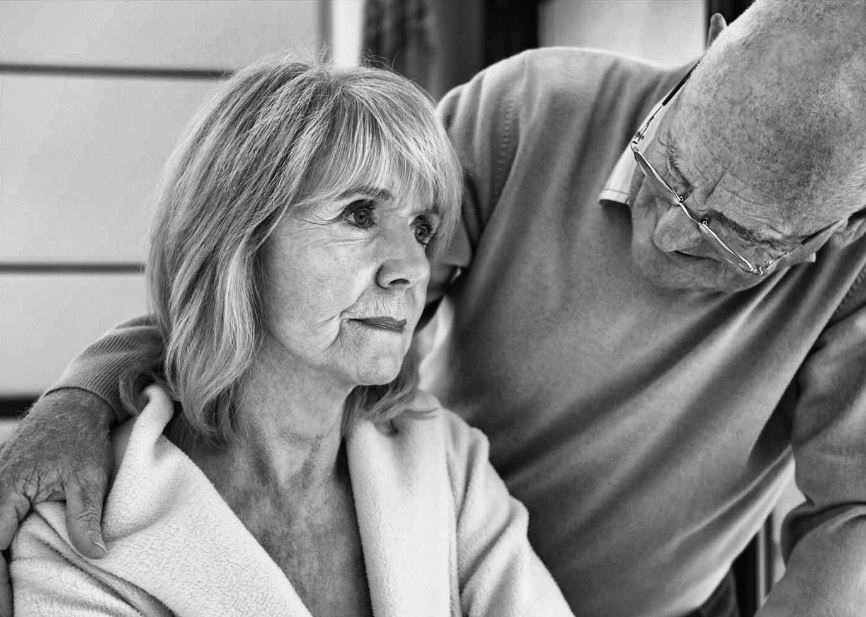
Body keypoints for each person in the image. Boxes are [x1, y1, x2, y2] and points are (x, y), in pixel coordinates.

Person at [0, 1, 866, 616]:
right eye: (664, 173)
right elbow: (285, 293)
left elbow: (865, 516)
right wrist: (82, 395)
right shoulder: (527, 109)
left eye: (731, 239)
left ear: (842, 226)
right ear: (701, 57)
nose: (663, 234)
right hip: (438, 552)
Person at [5, 58, 573, 617]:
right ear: (236, 240)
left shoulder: (447, 461)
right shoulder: (80, 526)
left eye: (422, 229)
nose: (414, 268)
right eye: (358, 214)